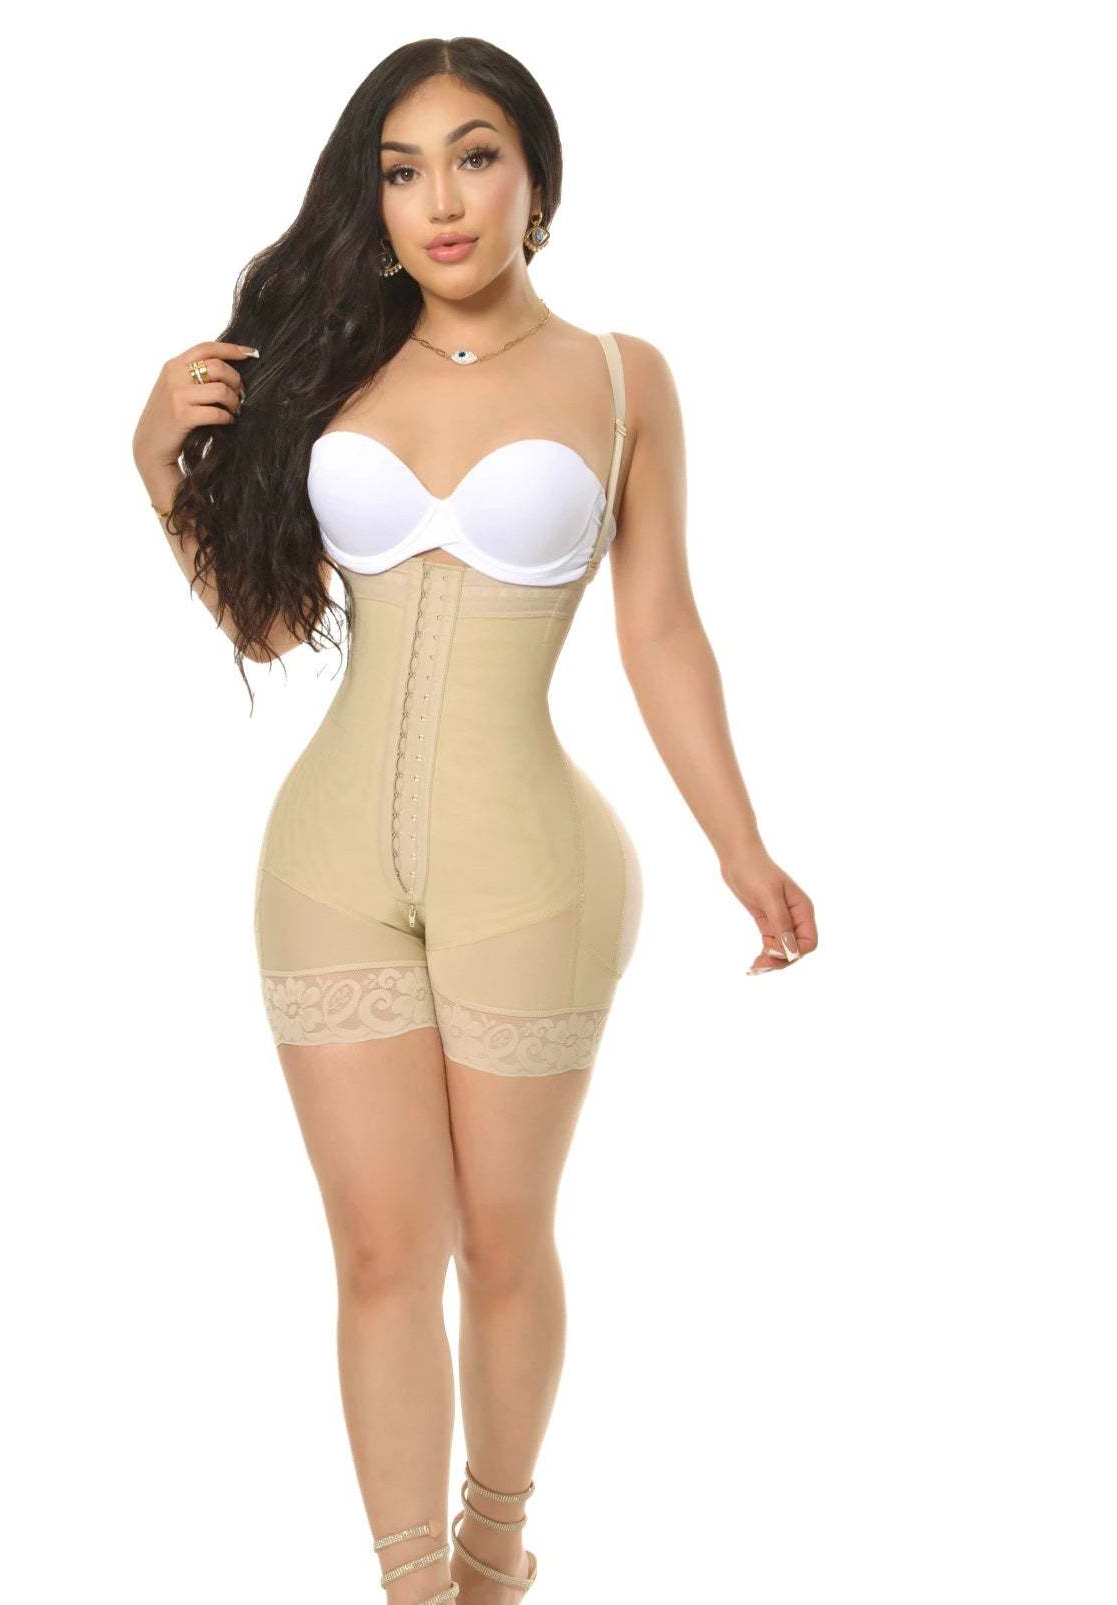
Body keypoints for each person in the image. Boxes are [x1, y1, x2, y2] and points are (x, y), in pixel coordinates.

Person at [132, 37, 817, 1604]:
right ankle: (416, 1588)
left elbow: (661, 628)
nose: (440, 200)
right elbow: (266, 625)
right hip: (325, 867)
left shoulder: (622, 379)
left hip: (532, 872)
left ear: (536, 177)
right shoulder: (333, 366)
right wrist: (158, 463)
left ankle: (495, 1556)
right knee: (381, 1253)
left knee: (502, 1244)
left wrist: (742, 846)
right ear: (371, 199)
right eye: (402, 170)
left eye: (476, 155)